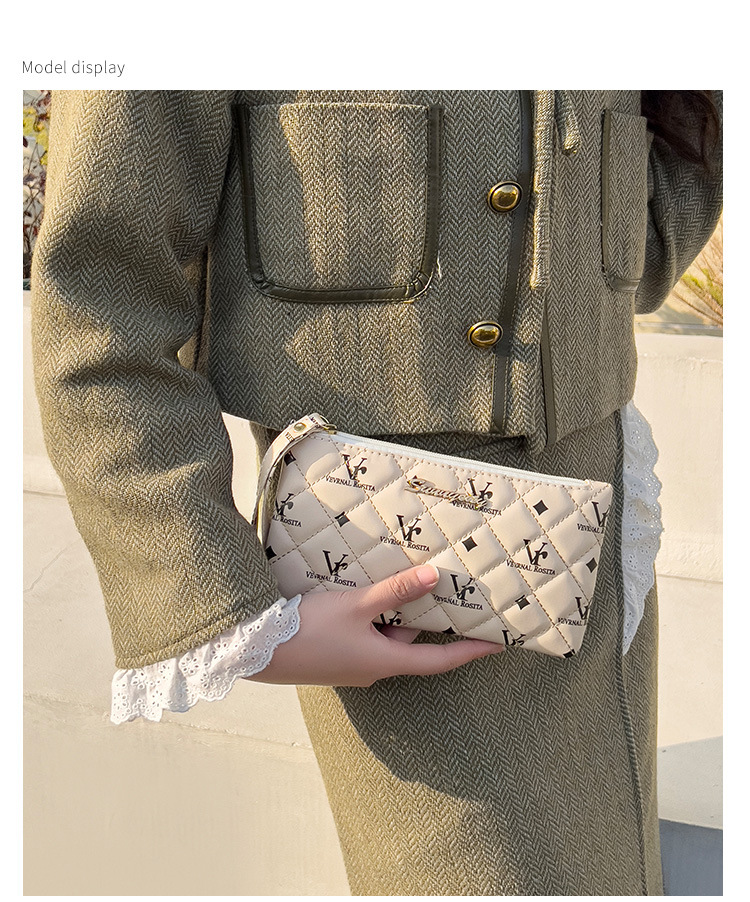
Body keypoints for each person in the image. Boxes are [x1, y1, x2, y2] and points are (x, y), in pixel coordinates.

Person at [32, 89, 722, 896]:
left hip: (598, 532)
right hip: (402, 588)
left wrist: (597, 245)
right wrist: (230, 613)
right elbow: (99, 303)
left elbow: (679, 149)